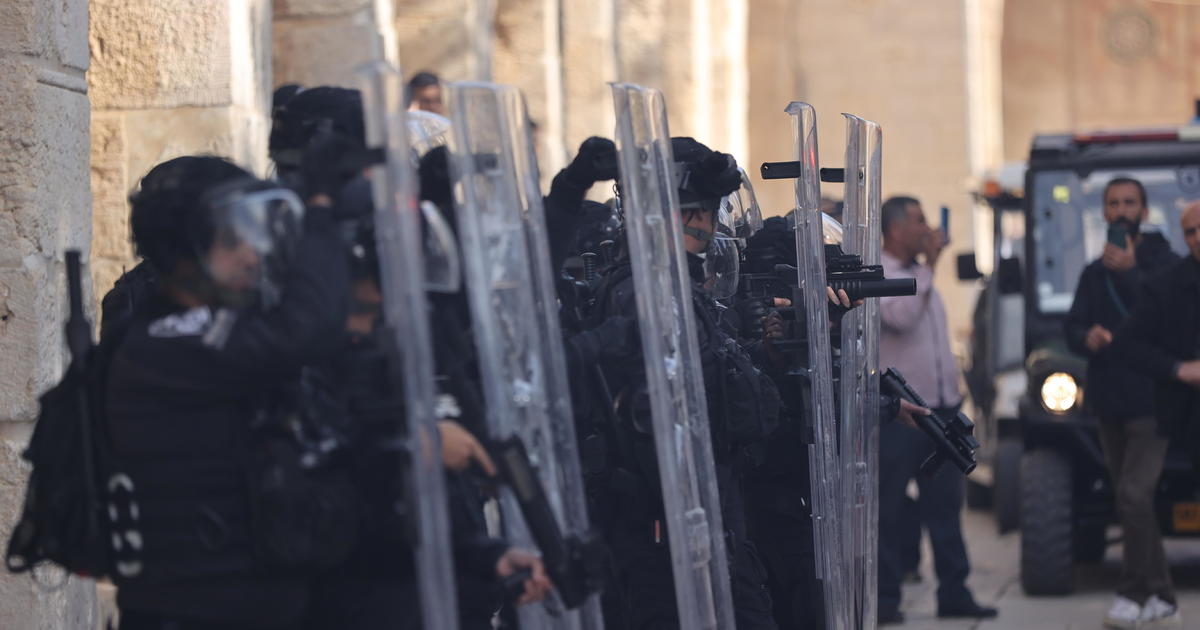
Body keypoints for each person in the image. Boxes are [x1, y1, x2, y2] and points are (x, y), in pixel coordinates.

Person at [582, 137, 782, 630]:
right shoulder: (639, 292)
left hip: (710, 513)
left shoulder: (684, 291)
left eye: (710, 213)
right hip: (665, 527)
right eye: (692, 212)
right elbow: (652, 420)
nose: (706, 226)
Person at [1063, 177, 1180, 629]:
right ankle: (1154, 597)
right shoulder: (1093, 272)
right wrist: (1086, 336)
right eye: (1113, 203)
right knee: (1129, 499)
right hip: (1108, 400)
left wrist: (1131, 273)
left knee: (1134, 495)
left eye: (1129, 202)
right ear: (1104, 212)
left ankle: (1145, 593)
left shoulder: (1165, 264)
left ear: (1144, 212)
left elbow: (1165, 321)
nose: (1121, 210)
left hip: (1152, 401)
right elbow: (1073, 326)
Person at [876, 195, 996, 624]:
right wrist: (932, 264)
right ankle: (885, 598)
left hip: (940, 411)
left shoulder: (919, 274)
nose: (927, 228)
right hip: (900, 414)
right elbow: (904, 317)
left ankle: (955, 591)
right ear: (893, 229)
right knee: (887, 509)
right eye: (918, 220)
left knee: (946, 506)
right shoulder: (883, 276)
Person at [1109, 200, 1200, 629]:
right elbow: (1127, 343)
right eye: (1191, 231)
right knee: (1132, 495)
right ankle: (1153, 593)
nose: (1198, 237)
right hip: (1182, 414)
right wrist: (1176, 368)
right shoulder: (1168, 283)